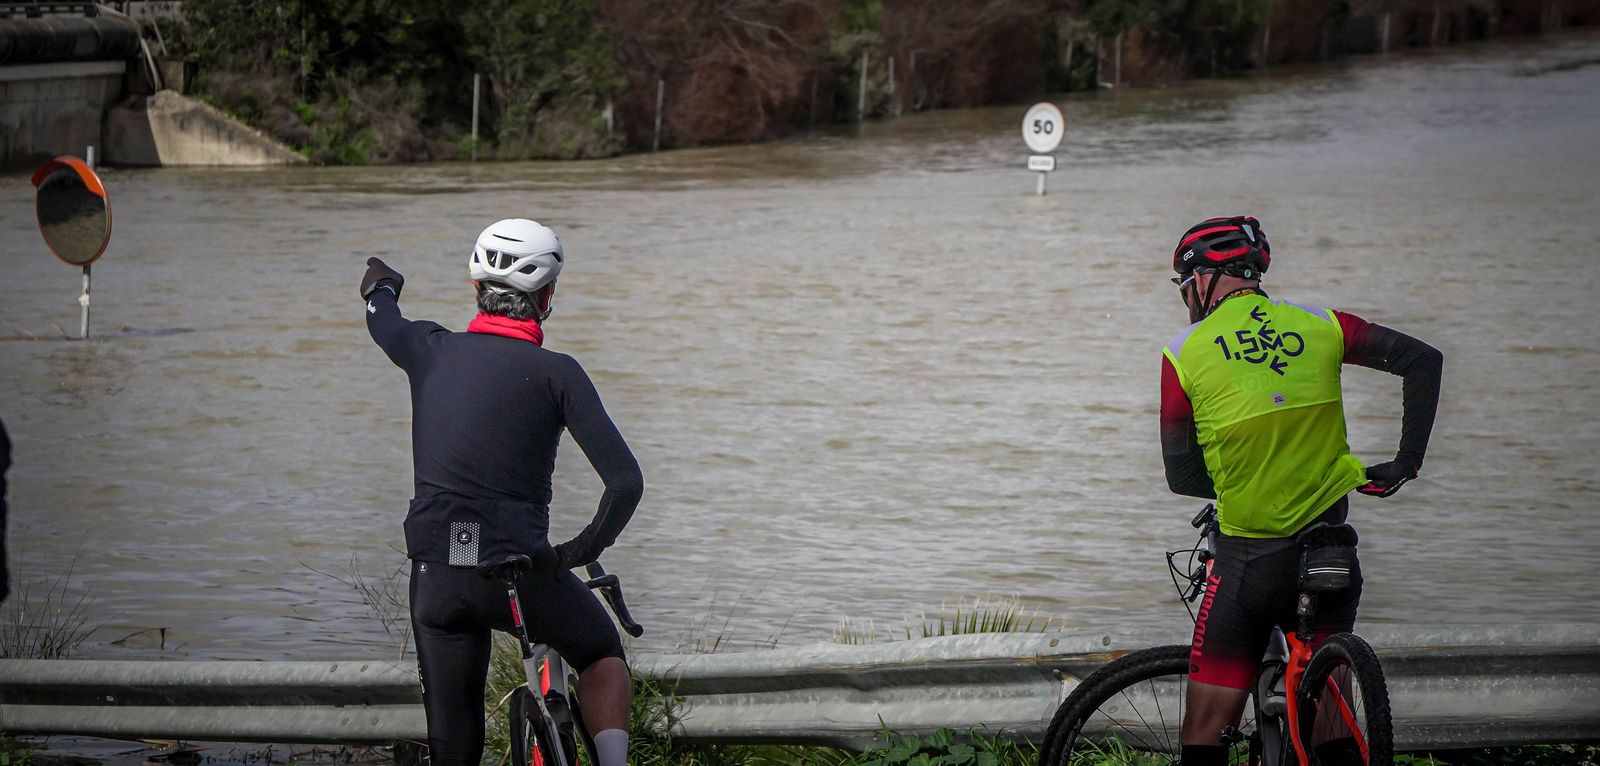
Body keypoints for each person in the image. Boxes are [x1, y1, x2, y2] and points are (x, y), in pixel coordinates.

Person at [1159, 216, 1441, 766]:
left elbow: (1181, 475)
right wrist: (1406, 462)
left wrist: (1241, 479)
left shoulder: (1183, 351)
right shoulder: (1323, 324)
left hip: (1248, 562)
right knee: (1328, 712)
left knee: (1204, 728)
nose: (1185, 297)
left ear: (1203, 280)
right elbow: (1422, 360)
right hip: (1328, 550)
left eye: (1183, 285)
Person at [361, 219, 643, 766]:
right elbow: (625, 483)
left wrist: (382, 285)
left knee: (454, 746)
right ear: (546, 297)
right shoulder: (558, 373)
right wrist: (576, 552)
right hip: (519, 570)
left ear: (475, 287)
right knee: (602, 654)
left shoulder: (427, 348)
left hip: (438, 575)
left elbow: (381, 317)